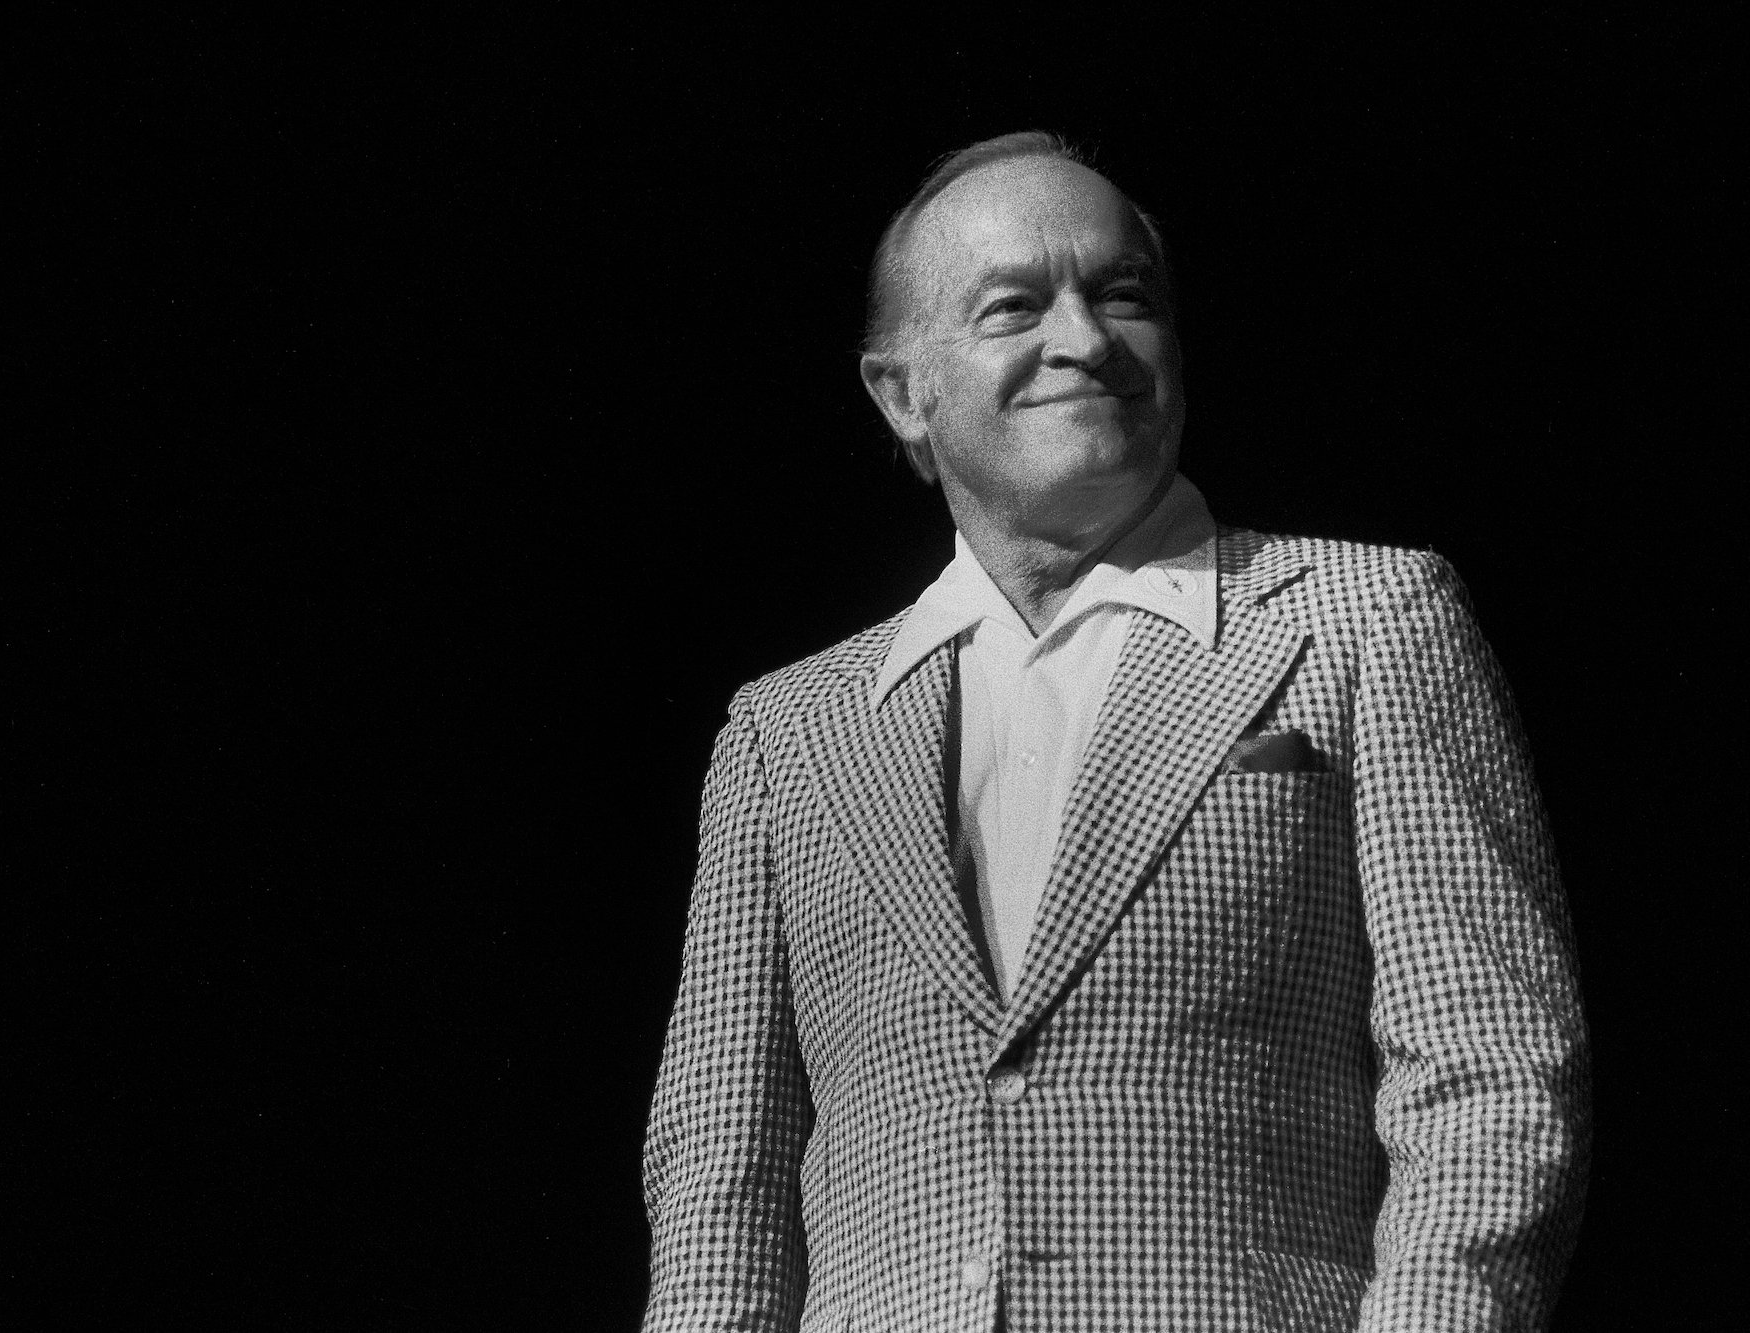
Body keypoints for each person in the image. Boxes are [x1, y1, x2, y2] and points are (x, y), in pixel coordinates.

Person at [640, 132, 1589, 1333]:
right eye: (1013, 308)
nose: (1083, 340)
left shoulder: (1361, 623)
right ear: (901, 393)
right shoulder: (790, 731)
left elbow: (1487, 1078)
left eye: (1122, 295)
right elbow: (718, 1181)